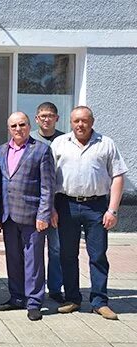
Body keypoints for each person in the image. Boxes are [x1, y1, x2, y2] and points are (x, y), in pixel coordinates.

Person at [51, 106, 128, 320]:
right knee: (67, 254)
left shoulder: (106, 143)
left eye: (84, 120)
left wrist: (112, 209)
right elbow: (48, 178)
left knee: (98, 255)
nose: (80, 125)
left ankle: (99, 301)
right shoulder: (60, 144)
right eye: (76, 121)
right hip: (65, 205)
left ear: (92, 122)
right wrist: (51, 208)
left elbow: (118, 176)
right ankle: (73, 298)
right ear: (70, 123)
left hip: (96, 207)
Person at [0, 112, 55, 321]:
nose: (18, 129)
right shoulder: (1, 150)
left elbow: (48, 187)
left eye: (22, 124)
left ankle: (34, 302)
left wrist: (44, 214)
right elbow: (0, 185)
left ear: (29, 126)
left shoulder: (41, 150)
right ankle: (16, 297)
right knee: (13, 259)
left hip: (32, 216)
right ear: (8, 128)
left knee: (34, 261)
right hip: (9, 215)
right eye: (13, 126)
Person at [30, 102, 66, 303]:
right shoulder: (30, 139)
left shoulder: (65, 139)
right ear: (36, 118)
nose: (46, 119)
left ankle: (55, 288)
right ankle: (34, 288)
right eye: (42, 115)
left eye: (50, 115)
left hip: (58, 201)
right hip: (34, 200)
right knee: (34, 248)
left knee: (56, 247)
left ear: (57, 118)